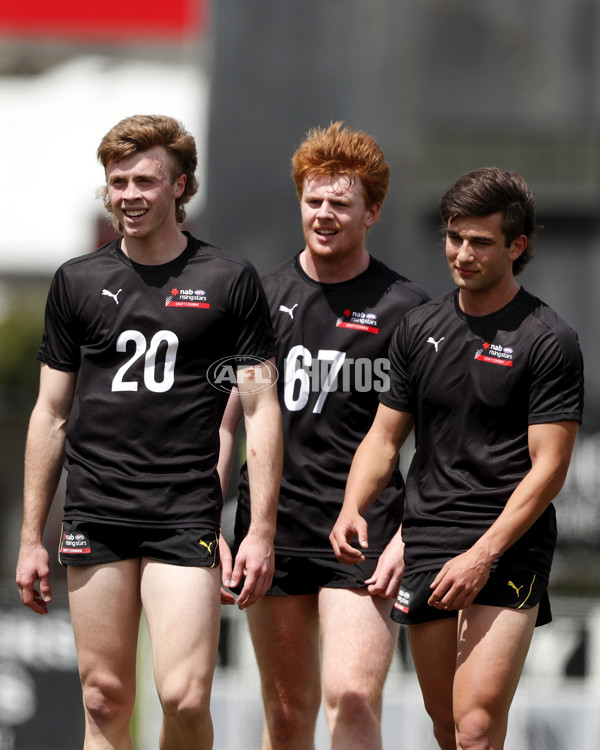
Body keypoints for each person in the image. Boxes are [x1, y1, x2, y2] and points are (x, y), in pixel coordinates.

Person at [15, 114, 283, 750]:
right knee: (103, 697)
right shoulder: (76, 280)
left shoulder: (229, 279)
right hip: (97, 508)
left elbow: (263, 409)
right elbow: (50, 413)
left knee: (184, 695)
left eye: (144, 180)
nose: (128, 195)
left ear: (180, 186)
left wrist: (259, 530)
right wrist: (31, 537)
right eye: (117, 182)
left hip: (182, 509)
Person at [330, 166, 584, 750]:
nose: (462, 253)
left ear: (516, 246)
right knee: (446, 728)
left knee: (475, 727)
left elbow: (549, 471)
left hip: (506, 546)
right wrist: (352, 505)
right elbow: (384, 438)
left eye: (480, 242)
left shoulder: (549, 339)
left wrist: (482, 555)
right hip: (429, 541)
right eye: (453, 237)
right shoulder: (419, 329)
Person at [218, 121, 429, 750]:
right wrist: (210, 524)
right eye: (314, 200)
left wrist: (409, 536)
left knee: (355, 697)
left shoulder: (407, 308)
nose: (325, 214)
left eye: (341, 202)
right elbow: (227, 421)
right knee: (286, 714)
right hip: (272, 530)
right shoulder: (262, 296)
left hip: (365, 529)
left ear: (374, 211)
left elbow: (440, 442)